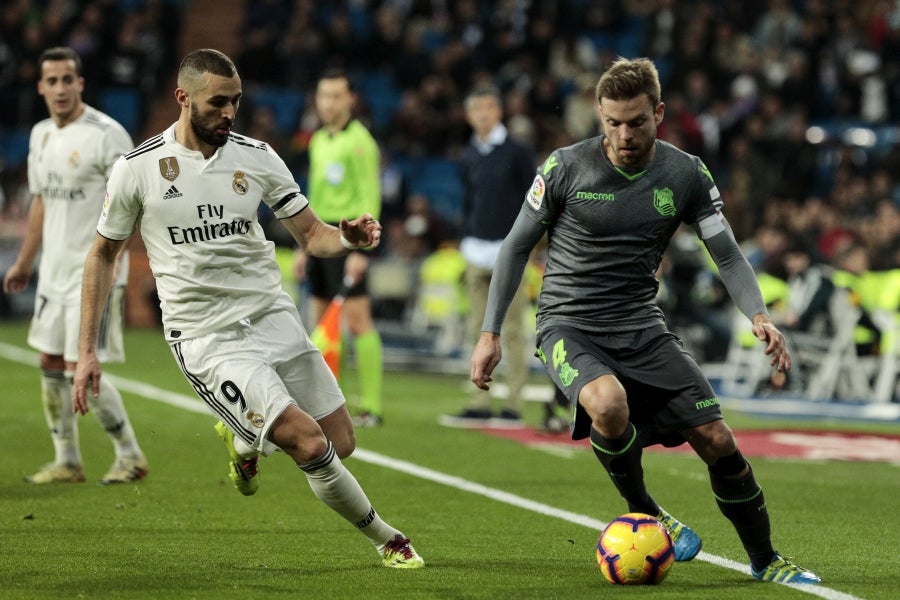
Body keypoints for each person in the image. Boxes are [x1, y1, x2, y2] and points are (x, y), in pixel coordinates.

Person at [470, 57, 820, 584]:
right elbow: (516, 246)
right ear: (599, 116)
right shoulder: (564, 167)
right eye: (612, 123)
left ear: (658, 113)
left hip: (640, 323)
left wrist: (758, 314)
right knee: (608, 404)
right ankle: (648, 512)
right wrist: (490, 332)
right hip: (568, 322)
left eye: (635, 122)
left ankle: (766, 559)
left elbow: (726, 254)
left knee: (717, 438)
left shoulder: (686, 173)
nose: (624, 135)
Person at [72, 49, 423, 569]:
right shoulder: (138, 168)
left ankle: (242, 441)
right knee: (309, 444)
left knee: (341, 441)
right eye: (218, 102)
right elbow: (103, 254)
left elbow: (313, 235)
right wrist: (87, 351)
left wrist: (348, 238)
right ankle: (388, 539)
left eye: (235, 101)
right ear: (183, 98)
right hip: (207, 337)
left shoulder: (256, 156)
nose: (229, 113)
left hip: (272, 317)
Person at [2, 46, 147, 485]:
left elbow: (135, 204)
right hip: (54, 271)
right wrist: (25, 262)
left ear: (80, 84)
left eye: (68, 79)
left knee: (79, 365)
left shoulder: (107, 136)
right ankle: (67, 460)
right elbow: (41, 203)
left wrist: (116, 263)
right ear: (41, 87)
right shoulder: (41, 135)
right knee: (49, 360)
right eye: (53, 81)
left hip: (95, 274)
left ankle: (130, 455)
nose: (61, 88)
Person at [440, 83, 536, 429]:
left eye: (487, 107)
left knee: (512, 329)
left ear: (499, 111)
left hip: (509, 251)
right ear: (468, 115)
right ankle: (479, 401)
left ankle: (513, 405)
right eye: (476, 109)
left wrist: (527, 244)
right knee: (476, 328)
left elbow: (534, 201)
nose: (482, 114)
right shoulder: (469, 154)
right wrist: (464, 238)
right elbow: (469, 201)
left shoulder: (518, 152)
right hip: (475, 249)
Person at [295, 68, 385, 427]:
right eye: (323, 95)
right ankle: (332, 403)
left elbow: (370, 195)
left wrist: (362, 250)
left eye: (335, 96)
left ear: (350, 99)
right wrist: (304, 244)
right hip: (321, 237)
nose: (328, 103)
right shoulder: (318, 140)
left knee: (358, 321)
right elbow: (314, 196)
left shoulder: (361, 141)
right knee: (323, 323)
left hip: (349, 235)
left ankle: (372, 407)